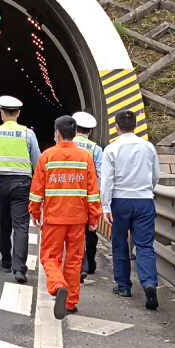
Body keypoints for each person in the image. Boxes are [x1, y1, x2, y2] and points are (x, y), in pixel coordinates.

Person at [29, 115, 102, 320]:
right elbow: (93, 191)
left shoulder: (47, 156)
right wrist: (94, 217)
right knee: (74, 260)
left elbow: (37, 190)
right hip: (78, 218)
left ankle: (57, 285)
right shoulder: (85, 157)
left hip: (54, 217)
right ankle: (70, 302)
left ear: (58, 133)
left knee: (50, 257)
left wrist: (35, 212)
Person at [0, 96, 41, 284]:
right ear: (18, 114)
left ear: (1, 113)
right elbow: (38, 163)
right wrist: (41, 189)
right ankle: (19, 268)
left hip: (0, 185)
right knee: (21, 226)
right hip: (22, 185)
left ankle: (5, 260)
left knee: (3, 225)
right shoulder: (28, 134)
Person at [101, 110, 161, 309]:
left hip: (120, 202)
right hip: (144, 201)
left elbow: (107, 181)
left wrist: (106, 206)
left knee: (120, 243)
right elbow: (155, 176)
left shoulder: (111, 149)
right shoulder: (148, 147)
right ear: (135, 125)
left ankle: (124, 286)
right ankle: (149, 283)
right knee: (144, 245)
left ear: (116, 127)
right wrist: (146, 190)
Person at [72, 111, 104, 283]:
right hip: (89, 196)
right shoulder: (95, 149)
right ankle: (89, 263)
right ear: (90, 131)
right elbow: (102, 174)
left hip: (68, 197)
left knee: (74, 233)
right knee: (90, 231)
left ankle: (78, 264)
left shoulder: (65, 145)